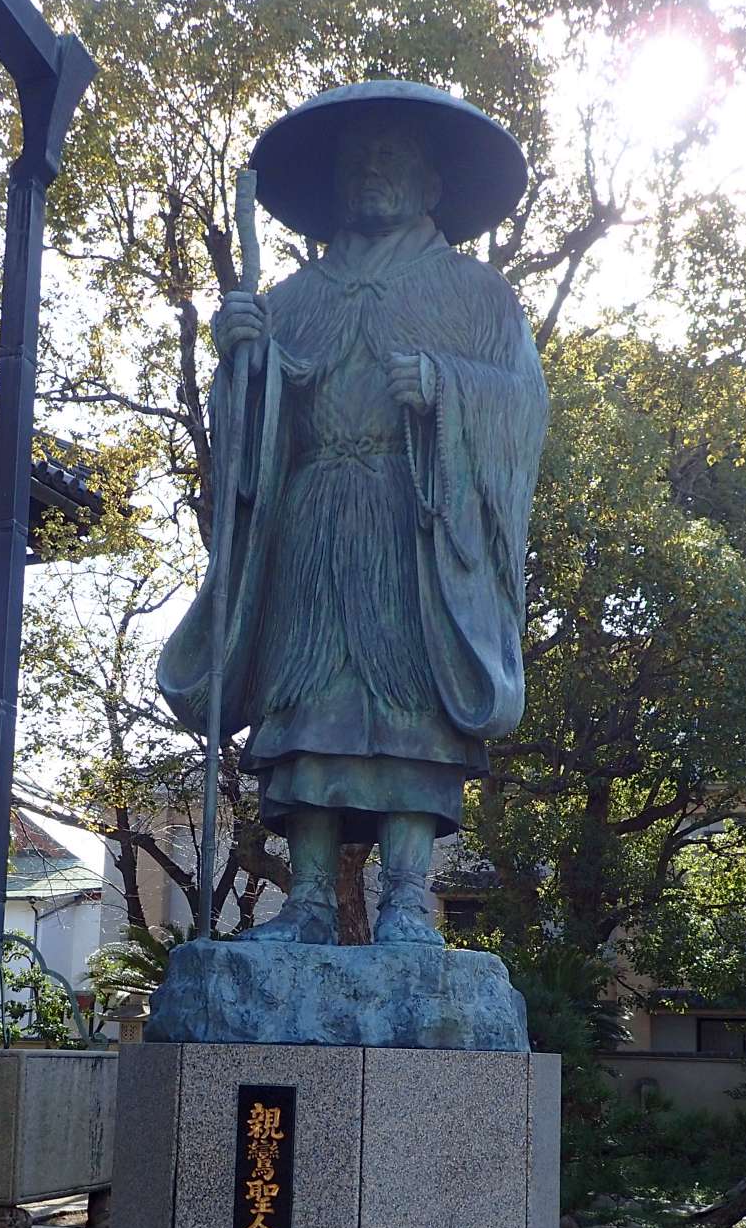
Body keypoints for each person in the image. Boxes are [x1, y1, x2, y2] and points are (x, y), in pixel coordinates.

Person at [159, 80, 549, 945]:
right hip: (313, 520)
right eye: (357, 160)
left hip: (413, 522)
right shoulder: (294, 298)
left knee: (410, 710)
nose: (373, 171)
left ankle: (408, 899)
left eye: (392, 156)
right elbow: (255, 441)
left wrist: (446, 388)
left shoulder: (479, 294)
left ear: (432, 182)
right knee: (308, 704)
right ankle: (306, 900)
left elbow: (524, 406)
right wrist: (243, 365)